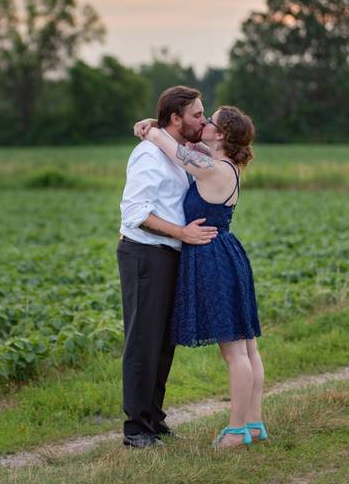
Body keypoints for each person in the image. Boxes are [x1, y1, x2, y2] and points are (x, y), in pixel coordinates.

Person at [133, 105, 266, 449]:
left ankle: (236, 431)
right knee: (248, 347)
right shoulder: (225, 164)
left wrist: (153, 129)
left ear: (220, 134)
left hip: (213, 257)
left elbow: (174, 149)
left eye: (211, 121)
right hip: (229, 252)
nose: (204, 123)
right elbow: (187, 147)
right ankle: (253, 424)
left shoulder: (211, 168)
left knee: (235, 352)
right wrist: (154, 123)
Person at [116, 85, 218, 449]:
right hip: (145, 254)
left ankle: (154, 420)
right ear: (175, 118)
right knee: (143, 341)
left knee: (162, 343)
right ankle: (135, 429)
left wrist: (151, 127)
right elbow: (136, 213)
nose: (202, 119)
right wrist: (183, 233)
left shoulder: (177, 152)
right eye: (196, 114)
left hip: (169, 253)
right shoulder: (148, 156)